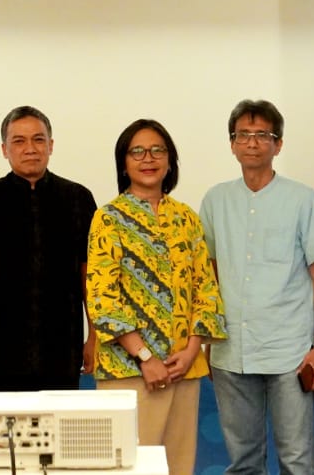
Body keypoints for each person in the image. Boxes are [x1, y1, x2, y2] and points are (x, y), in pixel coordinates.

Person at [199, 99, 314, 475]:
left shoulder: (302, 199)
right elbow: (208, 274)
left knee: (297, 459)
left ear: (278, 144)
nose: (252, 142)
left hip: (290, 351)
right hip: (231, 350)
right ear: (232, 144)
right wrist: (207, 341)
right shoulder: (215, 200)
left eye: (263, 134)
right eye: (243, 134)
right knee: (243, 462)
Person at [87, 119, 227, 475]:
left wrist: (193, 350)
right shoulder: (108, 218)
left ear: (170, 160)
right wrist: (145, 357)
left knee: (178, 466)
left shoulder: (187, 218)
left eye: (157, 151)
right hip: (127, 370)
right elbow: (102, 297)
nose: (147, 159)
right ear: (123, 163)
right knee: (126, 467)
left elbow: (206, 287)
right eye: (137, 152)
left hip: (183, 367)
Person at [0, 105, 97, 391]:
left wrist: (94, 336)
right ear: (4, 149)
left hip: (62, 349)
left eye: (38, 139)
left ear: (51, 145)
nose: (30, 148)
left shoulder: (78, 199)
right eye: (19, 141)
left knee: (60, 420)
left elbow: (89, 276)